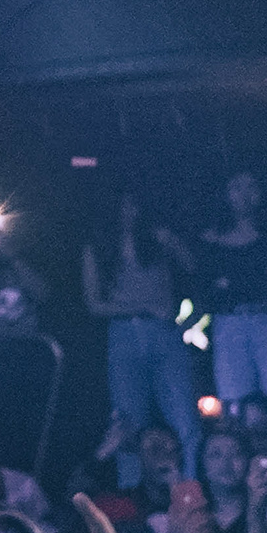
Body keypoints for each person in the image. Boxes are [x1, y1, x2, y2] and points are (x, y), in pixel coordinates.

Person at [83, 190, 201, 478]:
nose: (129, 213)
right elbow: (93, 304)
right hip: (124, 333)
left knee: (185, 419)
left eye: (133, 206)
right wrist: (144, 306)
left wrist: (173, 243)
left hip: (163, 332)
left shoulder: (158, 241)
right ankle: (133, 490)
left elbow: (195, 269)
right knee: (127, 423)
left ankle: (191, 485)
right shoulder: (98, 248)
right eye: (123, 207)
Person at [196, 172, 267, 461]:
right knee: (235, 414)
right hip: (230, 325)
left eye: (251, 186)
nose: (244, 194)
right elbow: (208, 290)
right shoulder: (211, 240)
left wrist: (236, 284)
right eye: (236, 186)